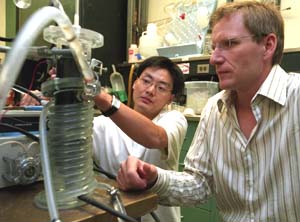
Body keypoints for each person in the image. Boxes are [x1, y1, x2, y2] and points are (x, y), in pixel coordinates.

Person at [116, 1, 300, 222]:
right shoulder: (214, 109)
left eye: (229, 44)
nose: (214, 58)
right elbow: (199, 184)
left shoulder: (296, 98)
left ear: (268, 45)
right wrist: (154, 178)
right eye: (214, 47)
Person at [93, 56, 187, 222]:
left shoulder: (174, 119)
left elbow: (155, 138)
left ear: (170, 98)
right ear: (134, 83)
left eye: (161, 88)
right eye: (146, 81)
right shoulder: (101, 124)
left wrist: (102, 98)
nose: (151, 90)